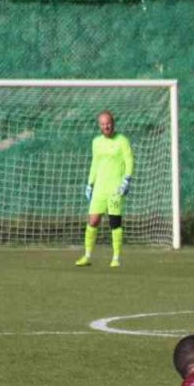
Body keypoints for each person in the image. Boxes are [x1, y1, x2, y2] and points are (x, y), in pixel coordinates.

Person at [77, 110, 133, 269]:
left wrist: (127, 180)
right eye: (102, 124)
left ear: (113, 123)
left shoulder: (122, 141)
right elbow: (95, 163)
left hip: (116, 188)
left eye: (108, 123)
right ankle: (87, 256)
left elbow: (129, 160)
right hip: (100, 188)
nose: (105, 126)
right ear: (99, 126)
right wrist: (90, 184)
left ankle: (116, 258)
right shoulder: (96, 142)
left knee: (115, 223)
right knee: (93, 220)